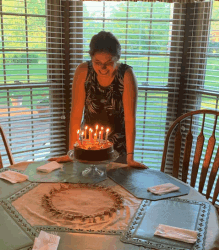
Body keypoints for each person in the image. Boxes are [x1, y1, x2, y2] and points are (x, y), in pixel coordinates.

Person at [50, 31, 147, 169]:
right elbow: (76, 115)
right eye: (97, 62)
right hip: (87, 146)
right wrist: (71, 152)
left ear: (117, 58)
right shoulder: (83, 71)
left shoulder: (126, 75)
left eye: (108, 62)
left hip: (117, 148)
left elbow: (130, 119)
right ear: (91, 58)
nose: (102, 68)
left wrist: (130, 157)